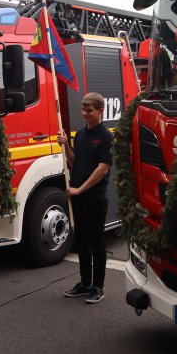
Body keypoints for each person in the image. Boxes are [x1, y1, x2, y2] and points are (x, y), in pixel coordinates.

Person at [57, 92, 113, 304]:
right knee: (81, 240)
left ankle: (98, 287)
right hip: (78, 196)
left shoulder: (106, 137)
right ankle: (84, 283)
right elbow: (74, 162)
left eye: (89, 110)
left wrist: (80, 189)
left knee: (96, 243)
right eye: (83, 110)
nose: (84, 114)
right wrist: (66, 146)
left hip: (95, 198)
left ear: (100, 111)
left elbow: (102, 169)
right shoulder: (79, 135)